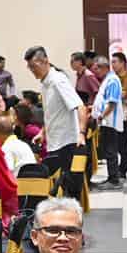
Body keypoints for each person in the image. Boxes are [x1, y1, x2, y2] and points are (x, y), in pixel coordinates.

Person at [24, 46, 88, 196]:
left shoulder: (58, 81)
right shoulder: (45, 83)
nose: (32, 70)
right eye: (30, 67)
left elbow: (80, 107)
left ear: (45, 61)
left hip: (67, 143)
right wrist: (42, 132)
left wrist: (81, 133)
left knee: (68, 191)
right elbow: (51, 113)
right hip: (55, 143)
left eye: (34, 66)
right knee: (57, 189)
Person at [90, 55, 124, 189]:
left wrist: (101, 116)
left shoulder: (113, 80)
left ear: (103, 67)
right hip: (106, 121)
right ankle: (111, 177)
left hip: (110, 121)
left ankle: (114, 180)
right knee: (108, 150)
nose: (95, 72)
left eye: (96, 69)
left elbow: (112, 103)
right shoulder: (107, 79)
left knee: (111, 151)